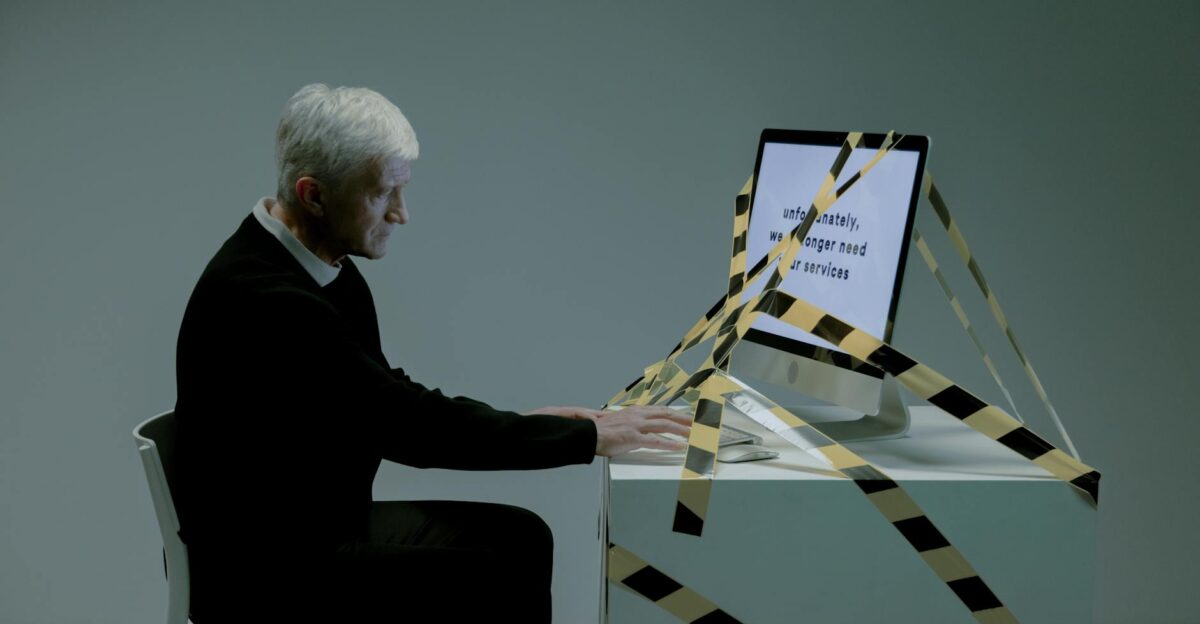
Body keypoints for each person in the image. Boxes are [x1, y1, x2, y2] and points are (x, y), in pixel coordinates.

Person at [173, 83, 691, 622]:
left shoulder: (321, 268)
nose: (401, 214)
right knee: (493, 576)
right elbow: (405, 427)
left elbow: (385, 394)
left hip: (318, 526)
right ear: (313, 195)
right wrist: (582, 438)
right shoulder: (268, 298)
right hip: (265, 571)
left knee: (520, 538)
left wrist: (532, 422)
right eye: (381, 194)